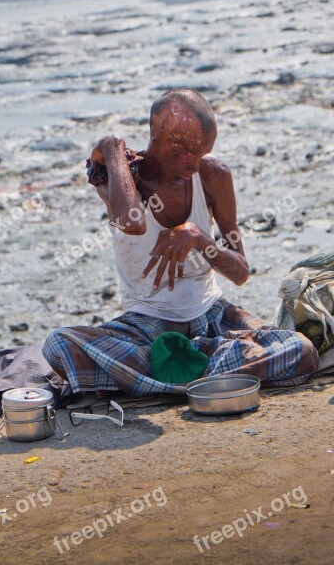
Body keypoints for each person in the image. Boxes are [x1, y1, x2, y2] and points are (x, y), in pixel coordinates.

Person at [42, 88, 318, 397]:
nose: (192, 163)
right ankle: (209, 370)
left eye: (199, 152)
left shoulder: (213, 175)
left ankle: (174, 371)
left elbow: (240, 272)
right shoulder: (120, 177)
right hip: (146, 324)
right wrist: (111, 146)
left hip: (212, 314)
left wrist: (199, 238)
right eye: (182, 150)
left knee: (300, 349)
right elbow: (131, 221)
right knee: (59, 345)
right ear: (156, 134)